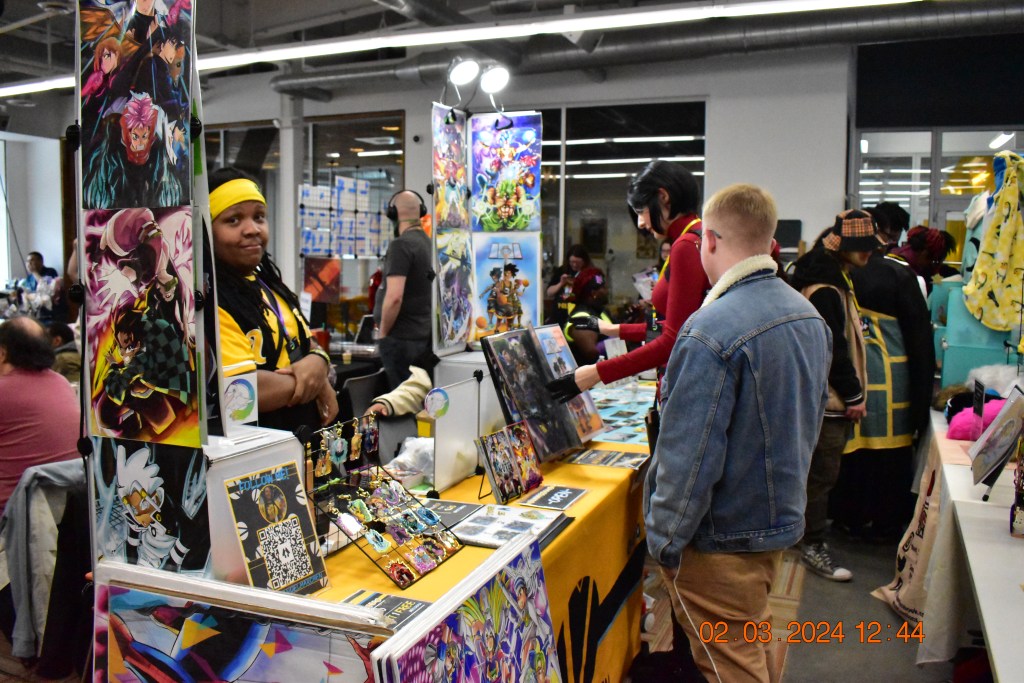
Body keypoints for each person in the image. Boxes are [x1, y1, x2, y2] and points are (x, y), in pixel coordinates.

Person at [647, 184, 830, 683]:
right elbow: (809, 422)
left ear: (708, 240)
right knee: (751, 640)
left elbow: (690, 455)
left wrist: (664, 541)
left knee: (731, 664)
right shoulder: (807, 315)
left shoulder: (711, 328)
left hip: (719, 537)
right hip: (774, 522)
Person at [548, 161, 709, 401]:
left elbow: (671, 339)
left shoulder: (686, 246)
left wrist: (596, 373)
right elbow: (668, 328)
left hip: (684, 383)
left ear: (663, 197)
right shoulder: (696, 237)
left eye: (641, 211)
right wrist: (611, 329)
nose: (641, 223)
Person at [829, 209, 935, 541]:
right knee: (890, 456)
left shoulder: (834, 276)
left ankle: (848, 517)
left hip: (848, 382)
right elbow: (920, 344)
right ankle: (886, 523)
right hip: (894, 386)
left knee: (852, 453)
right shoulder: (900, 276)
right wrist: (922, 404)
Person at [789, 209, 880, 581]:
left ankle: (801, 536)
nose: (867, 252)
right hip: (827, 399)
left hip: (819, 396)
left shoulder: (829, 279)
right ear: (840, 245)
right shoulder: (826, 288)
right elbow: (833, 350)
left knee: (812, 473)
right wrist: (853, 394)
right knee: (821, 476)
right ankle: (812, 544)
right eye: (861, 246)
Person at [211, 168, 338, 433]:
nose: (252, 229)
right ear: (207, 231)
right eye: (233, 220)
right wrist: (315, 382)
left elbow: (308, 344)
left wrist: (319, 361)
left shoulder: (270, 285)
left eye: (259, 217)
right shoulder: (209, 300)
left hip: (299, 438)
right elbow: (240, 393)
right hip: (252, 445)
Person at [0, 316, 81, 512]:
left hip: (11, 517)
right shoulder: (61, 383)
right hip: (61, 516)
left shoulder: (3, 390)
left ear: (2, 354)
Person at [373, 189, 433, 389]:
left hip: (401, 341)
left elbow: (395, 297)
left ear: (393, 213)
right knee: (416, 398)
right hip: (421, 338)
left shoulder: (401, 245)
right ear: (420, 211)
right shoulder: (428, 243)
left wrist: (383, 334)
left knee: (401, 401)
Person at [563, 267, 611, 365]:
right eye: (603, 288)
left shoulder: (601, 312)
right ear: (594, 293)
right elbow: (591, 352)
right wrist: (616, 340)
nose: (607, 291)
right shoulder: (581, 317)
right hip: (590, 372)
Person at [544, 244, 592, 327]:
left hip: (578, 318)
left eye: (578, 262)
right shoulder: (562, 270)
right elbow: (549, 293)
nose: (574, 265)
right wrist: (561, 283)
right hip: (558, 317)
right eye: (572, 262)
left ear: (584, 261)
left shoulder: (590, 273)